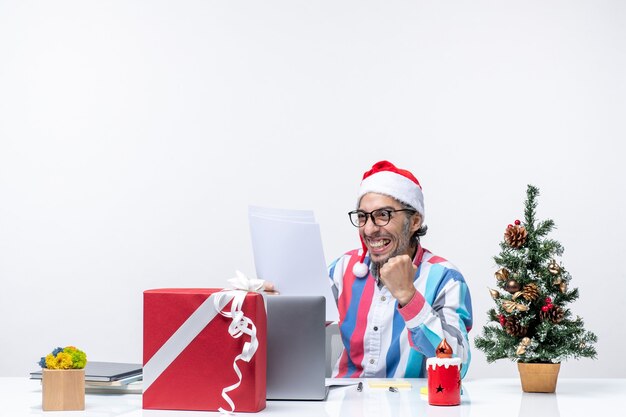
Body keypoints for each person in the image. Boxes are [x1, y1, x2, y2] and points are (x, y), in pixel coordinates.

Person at [328, 160, 472, 378]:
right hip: (345, 404)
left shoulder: (445, 278)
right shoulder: (342, 269)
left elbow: (456, 365)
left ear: (414, 221)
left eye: (383, 215)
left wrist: (409, 296)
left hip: (412, 407)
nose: (369, 229)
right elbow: (301, 331)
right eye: (362, 217)